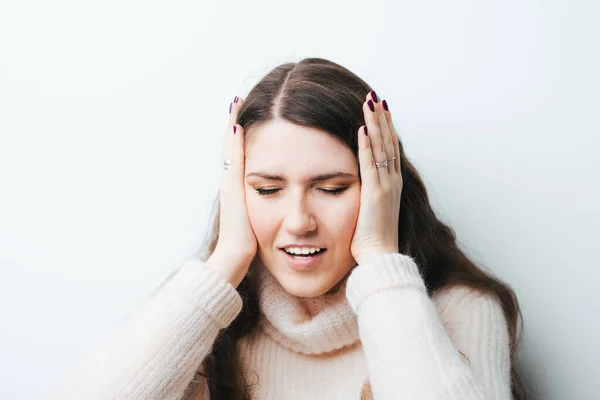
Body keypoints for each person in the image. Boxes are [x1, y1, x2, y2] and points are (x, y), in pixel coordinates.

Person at [54, 58, 526, 400]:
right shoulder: (209, 320)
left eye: (333, 188)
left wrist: (382, 262)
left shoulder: (457, 310)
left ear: (382, 189)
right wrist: (225, 262)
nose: (299, 221)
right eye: (266, 190)